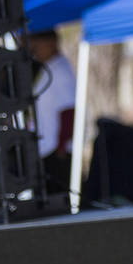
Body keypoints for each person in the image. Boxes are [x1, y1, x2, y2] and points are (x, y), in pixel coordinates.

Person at [27, 29, 77, 194]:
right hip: (45, 147)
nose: (35, 49)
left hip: (56, 150)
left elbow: (69, 110)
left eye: (38, 43)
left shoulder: (60, 70)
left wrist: (62, 146)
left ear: (51, 42)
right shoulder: (47, 68)